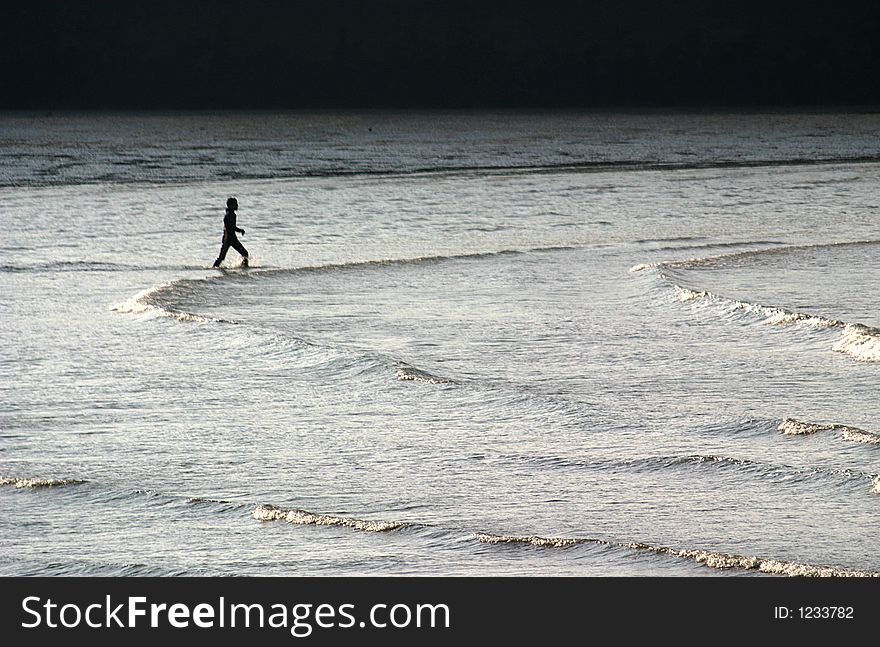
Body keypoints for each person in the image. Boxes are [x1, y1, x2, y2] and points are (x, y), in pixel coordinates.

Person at [213, 196, 249, 267]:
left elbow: (232, 227)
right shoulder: (229, 215)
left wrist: (239, 230)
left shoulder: (231, 214)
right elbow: (230, 227)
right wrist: (239, 230)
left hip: (228, 238)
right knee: (245, 253)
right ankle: (244, 267)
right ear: (230, 205)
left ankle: (214, 267)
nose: (237, 206)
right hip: (230, 238)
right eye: (235, 204)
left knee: (221, 257)